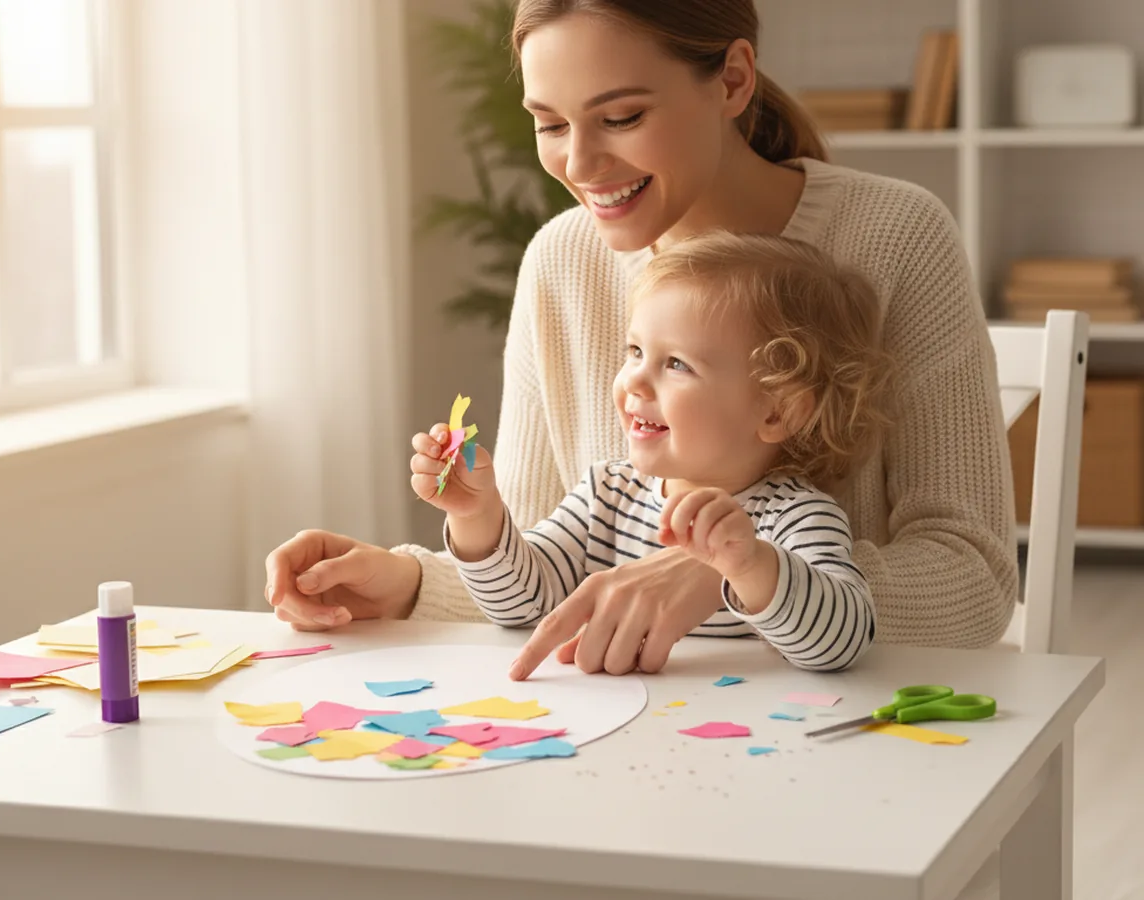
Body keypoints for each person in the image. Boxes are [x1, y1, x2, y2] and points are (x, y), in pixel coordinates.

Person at [265, 0, 1017, 678]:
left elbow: (976, 584)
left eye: (620, 118)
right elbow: (549, 575)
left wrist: (725, 576)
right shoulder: (561, 261)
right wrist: (408, 584)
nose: (581, 165)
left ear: (731, 80)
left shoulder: (896, 237)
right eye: (551, 124)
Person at [411, 232, 891, 674]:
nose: (635, 380)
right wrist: (475, 515)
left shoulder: (794, 516)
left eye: (677, 364)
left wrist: (750, 565)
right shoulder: (608, 493)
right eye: (635, 351)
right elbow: (524, 606)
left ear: (776, 412)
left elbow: (843, 642)